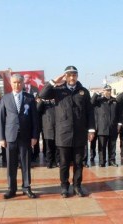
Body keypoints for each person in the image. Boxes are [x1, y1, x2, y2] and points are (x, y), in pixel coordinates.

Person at [39, 66, 95, 198]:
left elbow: (90, 112)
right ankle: (64, 186)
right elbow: (42, 95)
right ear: (65, 76)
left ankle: (77, 185)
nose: (71, 78)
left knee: (78, 162)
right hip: (63, 133)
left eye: (74, 75)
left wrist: (91, 129)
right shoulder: (58, 90)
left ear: (77, 76)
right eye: (69, 75)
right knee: (64, 163)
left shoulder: (83, 92)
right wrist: (54, 81)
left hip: (79, 133)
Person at [0, 73, 39, 199]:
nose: (17, 85)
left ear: (23, 84)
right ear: (11, 84)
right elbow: (1, 119)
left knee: (25, 163)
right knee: (11, 164)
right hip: (10, 136)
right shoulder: (5, 98)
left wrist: (35, 136)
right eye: (14, 82)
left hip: (26, 137)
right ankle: (11, 188)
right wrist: (1, 138)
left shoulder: (30, 98)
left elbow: (35, 119)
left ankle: (26, 187)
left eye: (19, 82)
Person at [91, 85, 120, 167]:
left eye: (109, 90)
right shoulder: (99, 100)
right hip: (102, 128)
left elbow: (118, 113)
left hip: (112, 127)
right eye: (106, 90)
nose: (108, 92)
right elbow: (91, 102)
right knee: (102, 147)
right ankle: (102, 161)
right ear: (103, 91)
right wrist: (96, 94)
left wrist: (118, 124)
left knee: (112, 146)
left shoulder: (114, 101)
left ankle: (112, 161)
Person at [37, 98, 58, 168]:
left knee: (57, 147)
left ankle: (57, 161)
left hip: (57, 127)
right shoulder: (44, 103)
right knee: (48, 147)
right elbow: (37, 109)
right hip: (47, 128)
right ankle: (49, 162)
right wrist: (42, 100)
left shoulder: (57, 101)